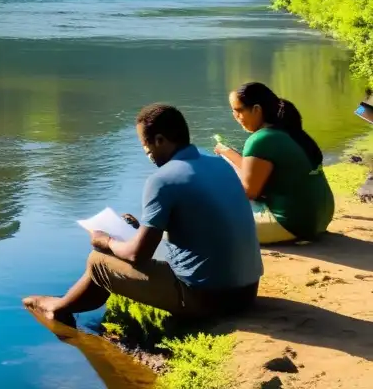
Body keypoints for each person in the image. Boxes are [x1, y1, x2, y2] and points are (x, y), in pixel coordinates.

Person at [24, 104, 262, 325]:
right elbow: (196, 226)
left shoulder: (163, 179)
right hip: (247, 292)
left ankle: (58, 308)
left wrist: (105, 240)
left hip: (209, 301)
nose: (146, 152)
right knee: (137, 247)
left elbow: (138, 255)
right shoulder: (219, 164)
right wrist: (139, 229)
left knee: (97, 262)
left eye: (144, 145)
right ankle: (67, 303)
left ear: (159, 140)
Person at [217, 82, 334, 245]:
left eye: (238, 111)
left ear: (256, 110)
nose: (235, 117)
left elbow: (248, 193)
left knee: (207, 225)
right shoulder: (288, 131)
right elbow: (256, 171)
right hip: (319, 220)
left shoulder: (260, 139)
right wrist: (226, 152)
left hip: (291, 225)